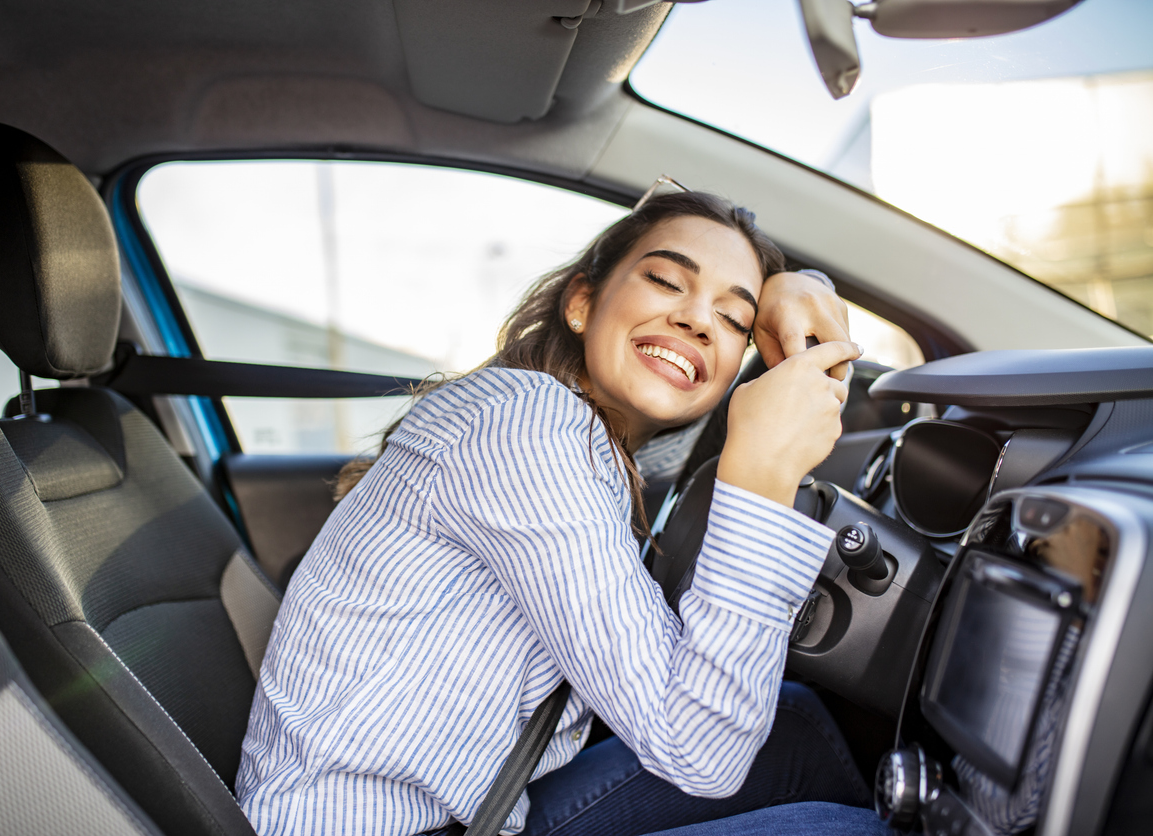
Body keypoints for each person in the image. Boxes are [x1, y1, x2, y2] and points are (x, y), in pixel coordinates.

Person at [236, 190, 887, 836]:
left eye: (733, 320)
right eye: (666, 281)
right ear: (581, 302)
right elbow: (702, 750)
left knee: (795, 723)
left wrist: (795, 285)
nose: (697, 321)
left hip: (479, 809)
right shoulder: (527, 424)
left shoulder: (596, 444)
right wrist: (762, 477)